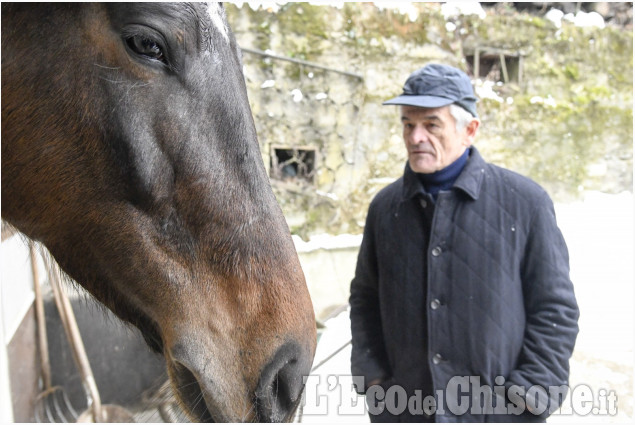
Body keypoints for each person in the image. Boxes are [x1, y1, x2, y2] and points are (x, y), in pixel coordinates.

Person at [349, 63, 579, 422]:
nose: (415, 137)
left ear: (469, 129)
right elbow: (365, 298)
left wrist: (528, 397)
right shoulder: (385, 208)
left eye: (431, 124)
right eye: (408, 124)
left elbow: (555, 309)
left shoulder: (526, 202)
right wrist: (376, 383)